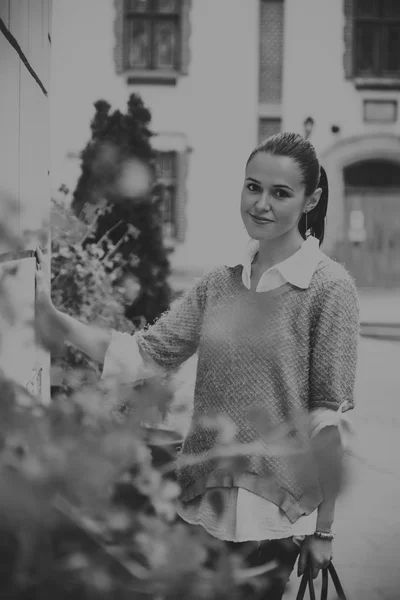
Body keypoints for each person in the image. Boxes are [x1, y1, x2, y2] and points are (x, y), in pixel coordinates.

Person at [36, 133, 359, 599]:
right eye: (253, 187)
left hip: (275, 517)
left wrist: (323, 531)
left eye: (280, 193)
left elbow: (328, 420)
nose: (261, 204)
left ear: (312, 198)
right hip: (200, 506)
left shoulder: (329, 288)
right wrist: (52, 318)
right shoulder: (219, 282)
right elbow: (146, 353)